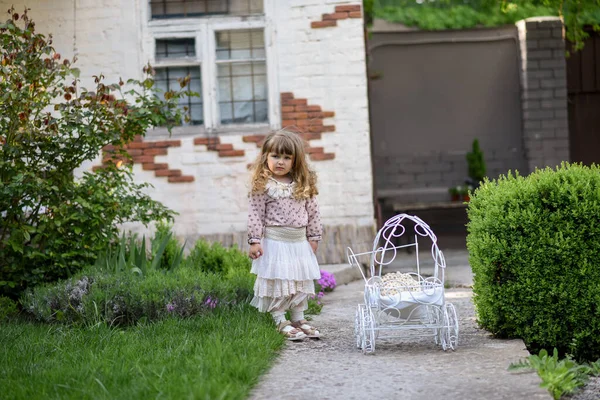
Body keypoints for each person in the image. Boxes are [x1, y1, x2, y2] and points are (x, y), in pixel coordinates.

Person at [247, 129, 322, 341]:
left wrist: (314, 237)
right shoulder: (264, 186)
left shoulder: (303, 185)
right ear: (266, 157)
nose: (280, 162)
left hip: (298, 242)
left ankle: (299, 317)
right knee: (279, 282)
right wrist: (255, 240)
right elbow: (255, 214)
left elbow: (314, 212)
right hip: (275, 242)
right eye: (275, 156)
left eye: (287, 157)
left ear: (295, 161)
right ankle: (280, 319)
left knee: (299, 280)